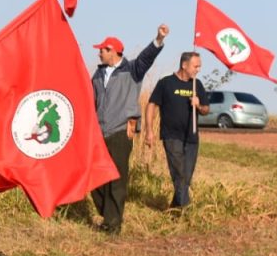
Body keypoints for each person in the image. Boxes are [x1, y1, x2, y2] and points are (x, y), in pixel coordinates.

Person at [89, 25, 168, 234]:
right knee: (94, 176)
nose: (99, 53)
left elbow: (147, 57)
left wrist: (158, 39)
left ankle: (112, 224)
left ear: (113, 51)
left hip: (120, 130)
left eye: (102, 50)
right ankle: (108, 214)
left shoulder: (132, 70)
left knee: (116, 177)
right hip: (98, 132)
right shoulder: (98, 74)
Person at [144, 52, 211, 209]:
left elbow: (206, 109)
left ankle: (174, 209)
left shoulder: (197, 85)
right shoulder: (166, 83)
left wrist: (198, 105)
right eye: (196, 66)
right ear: (184, 65)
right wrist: (149, 131)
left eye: (200, 66)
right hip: (172, 136)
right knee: (179, 174)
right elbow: (151, 105)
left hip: (192, 138)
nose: (198, 69)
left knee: (186, 177)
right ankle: (186, 210)